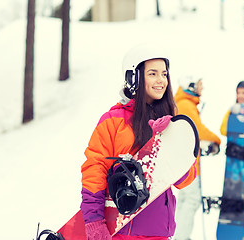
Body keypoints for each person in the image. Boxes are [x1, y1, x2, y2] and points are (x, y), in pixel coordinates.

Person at [80, 44, 197, 240]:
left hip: (160, 230)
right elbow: (94, 169)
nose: (161, 80)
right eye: (152, 74)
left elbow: (185, 179)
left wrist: (168, 143)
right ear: (133, 77)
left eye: (164, 74)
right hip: (123, 231)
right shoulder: (113, 120)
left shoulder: (170, 122)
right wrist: (93, 221)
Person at [173, 75, 221, 240]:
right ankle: (181, 236)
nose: (202, 88)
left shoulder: (184, 103)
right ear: (191, 86)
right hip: (189, 162)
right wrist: (216, 139)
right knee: (192, 199)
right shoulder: (186, 105)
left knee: (185, 198)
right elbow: (197, 129)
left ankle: (179, 234)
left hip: (184, 160)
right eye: (200, 85)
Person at [219, 80, 244, 238]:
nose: (240, 96)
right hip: (234, 167)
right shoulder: (232, 111)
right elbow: (223, 129)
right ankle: (241, 234)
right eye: (238, 93)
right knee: (236, 201)